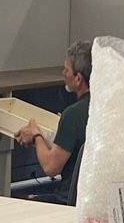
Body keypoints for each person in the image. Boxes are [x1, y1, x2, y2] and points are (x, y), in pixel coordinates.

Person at [15, 40, 91, 203]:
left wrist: (36, 135)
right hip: (91, 200)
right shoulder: (106, 108)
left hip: (69, 201)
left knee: (17, 201)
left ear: (78, 78)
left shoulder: (73, 115)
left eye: (66, 69)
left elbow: (51, 167)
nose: (63, 73)